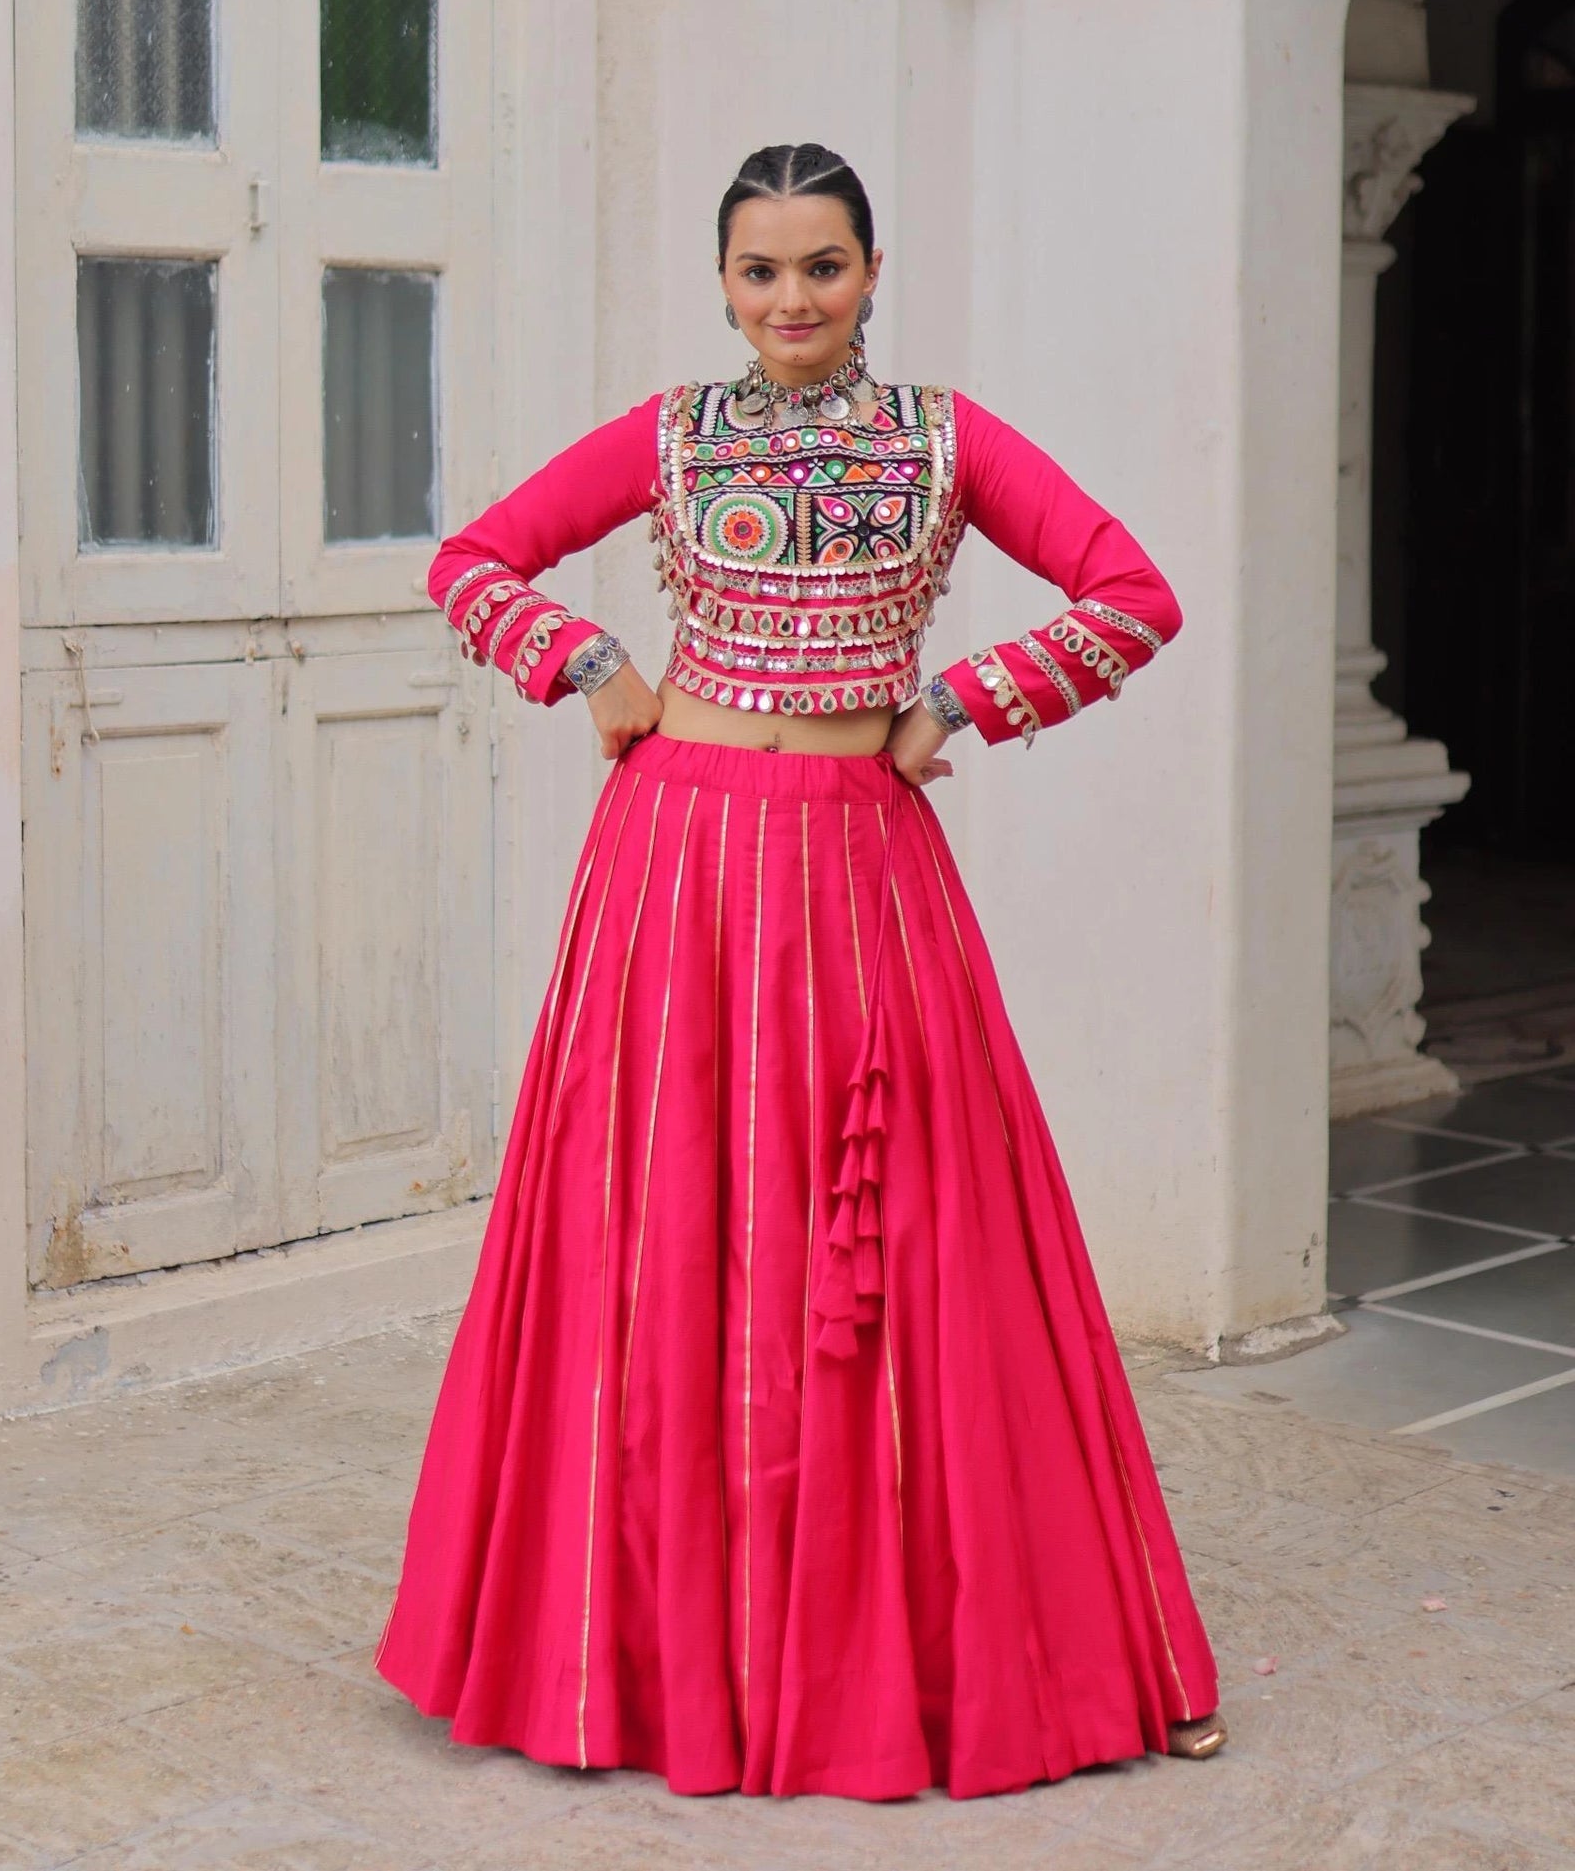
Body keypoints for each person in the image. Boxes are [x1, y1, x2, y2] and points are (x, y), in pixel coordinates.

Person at [376, 142, 1224, 1800]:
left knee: (912, 1239)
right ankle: (636, 1660)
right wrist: (589, 662)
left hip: (856, 866)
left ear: (873, 266)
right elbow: (471, 558)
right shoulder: (675, 431)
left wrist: (966, 702)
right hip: (674, 866)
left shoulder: (945, 437)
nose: (791, 301)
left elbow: (1137, 593)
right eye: (761, 272)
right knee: (661, 1230)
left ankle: (920, 1657)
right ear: (721, 281)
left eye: (821, 267)